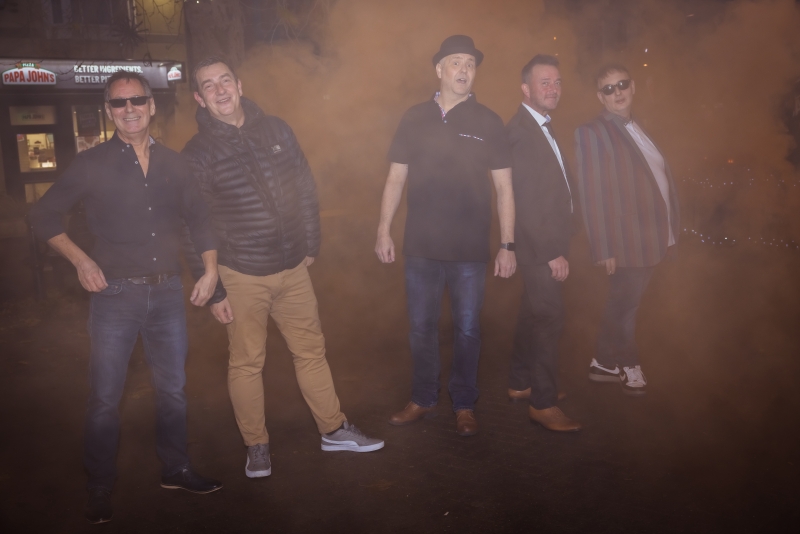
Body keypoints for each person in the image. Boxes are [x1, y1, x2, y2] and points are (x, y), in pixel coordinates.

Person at [29, 71, 223, 525]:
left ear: (151, 106)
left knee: (173, 390)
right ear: (109, 111)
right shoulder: (92, 163)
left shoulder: (174, 163)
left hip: (167, 293)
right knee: (105, 397)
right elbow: (43, 215)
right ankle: (99, 485)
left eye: (137, 100)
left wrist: (212, 270)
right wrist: (81, 261)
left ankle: (175, 468)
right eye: (119, 103)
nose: (129, 109)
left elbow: (200, 218)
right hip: (114, 295)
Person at [182, 56, 384, 480]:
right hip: (240, 273)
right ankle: (256, 445)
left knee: (311, 352)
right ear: (200, 98)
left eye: (225, 80)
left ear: (239, 85)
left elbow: (305, 185)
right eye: (209, 86)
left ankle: (333, 430)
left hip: (293, 269)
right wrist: (214, 288)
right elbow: (192, 223)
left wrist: (310, 242)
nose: (220, 90)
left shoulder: (276, 129)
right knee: (247, 363)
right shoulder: (198, 152)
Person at [376, 35, 516, 437]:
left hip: (470, 248)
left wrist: (507, 245)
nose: (464, 70)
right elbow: (395, 177)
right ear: (439, 69)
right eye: (456, 62)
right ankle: (422, 397)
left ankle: (465, 404)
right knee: (421, 326)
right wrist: (383, 230)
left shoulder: (489, 121)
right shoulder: (414, 117)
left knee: (468, 329)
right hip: (421, 245)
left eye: (470, 64)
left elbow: (504, 188)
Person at [574, 63, 680, 396]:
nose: (617, 92)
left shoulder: (640, 126)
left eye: (621, 85)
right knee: (627, 305)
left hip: (653, 235)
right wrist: (603, 247)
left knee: (622, 302)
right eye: (608, 89)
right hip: (626, 239)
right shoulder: (593, 132)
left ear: (632, 86)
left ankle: (603, 362)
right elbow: (592, 194)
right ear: (600, 97)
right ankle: (628, 362)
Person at [505, 55, 580, 431]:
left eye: (557, 82)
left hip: (541, 242)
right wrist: (552, 251)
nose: (553, 89)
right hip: (540, 245)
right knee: (550, 317)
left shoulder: (539, 125)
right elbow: (526, 200)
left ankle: (521, 382)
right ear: (526, 89)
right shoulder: (522, 131)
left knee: (531, 312)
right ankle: (543, 403)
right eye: (544, 82)